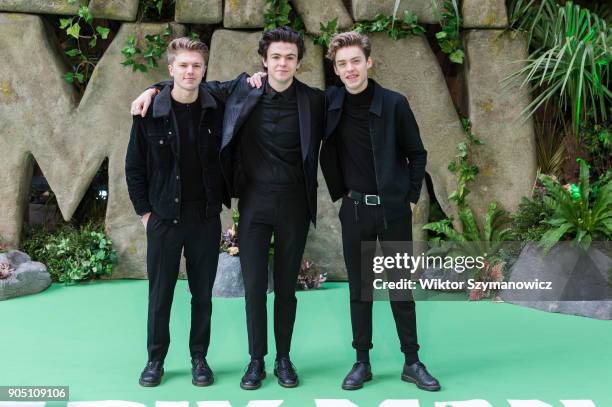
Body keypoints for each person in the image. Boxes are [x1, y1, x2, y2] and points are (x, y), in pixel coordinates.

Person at [130, 27, 325, 390]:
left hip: (294, 206)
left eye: (290, 57)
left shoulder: (314, 100)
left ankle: (283, 360)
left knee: (285, 290)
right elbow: (188, 81)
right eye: (276, 56)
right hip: (251, 205)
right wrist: (152, 88)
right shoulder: (242, 91)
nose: (283, 63)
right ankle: (256, 362)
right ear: (264, 61)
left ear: (299, 62)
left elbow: (194, 80)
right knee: (253, 288)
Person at [320, 31, 440, 391]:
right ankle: (362, 362)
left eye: (356, 60)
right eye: (342, 64)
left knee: (401, 288)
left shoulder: (395, 103)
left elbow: (417, 153)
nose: (350, 68)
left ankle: (412, 361)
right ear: (336, 70)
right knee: (360, 290)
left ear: (368, 62)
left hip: (392, 211)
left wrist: (409, 197)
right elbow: (283, 88)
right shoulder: (330, 104)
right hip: (354, 210)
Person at [125, 37, 228, 388]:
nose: (190, 71)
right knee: (160, 294)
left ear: (204, 70)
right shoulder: (148, 112)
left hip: (205, 218)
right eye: (183, 65)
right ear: (171, 70)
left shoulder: (217, 105)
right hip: (164, 219)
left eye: (196, 65)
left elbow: (244, 83)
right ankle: (155, 359)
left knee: (202, 295)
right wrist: (145, 215)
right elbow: (134, 168)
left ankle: (199, 358)